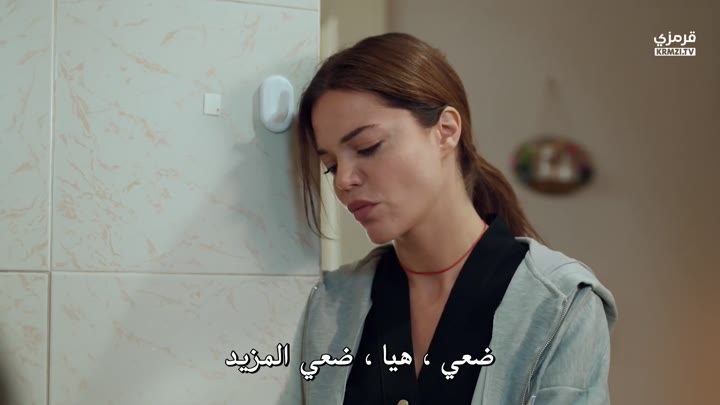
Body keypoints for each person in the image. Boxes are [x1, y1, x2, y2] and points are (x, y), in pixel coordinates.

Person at [277, 32, 617, 405]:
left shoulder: (561, 303)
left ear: (446, 131)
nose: (344, 180)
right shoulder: (329, 304)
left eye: (367, 147)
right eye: (330, 166)